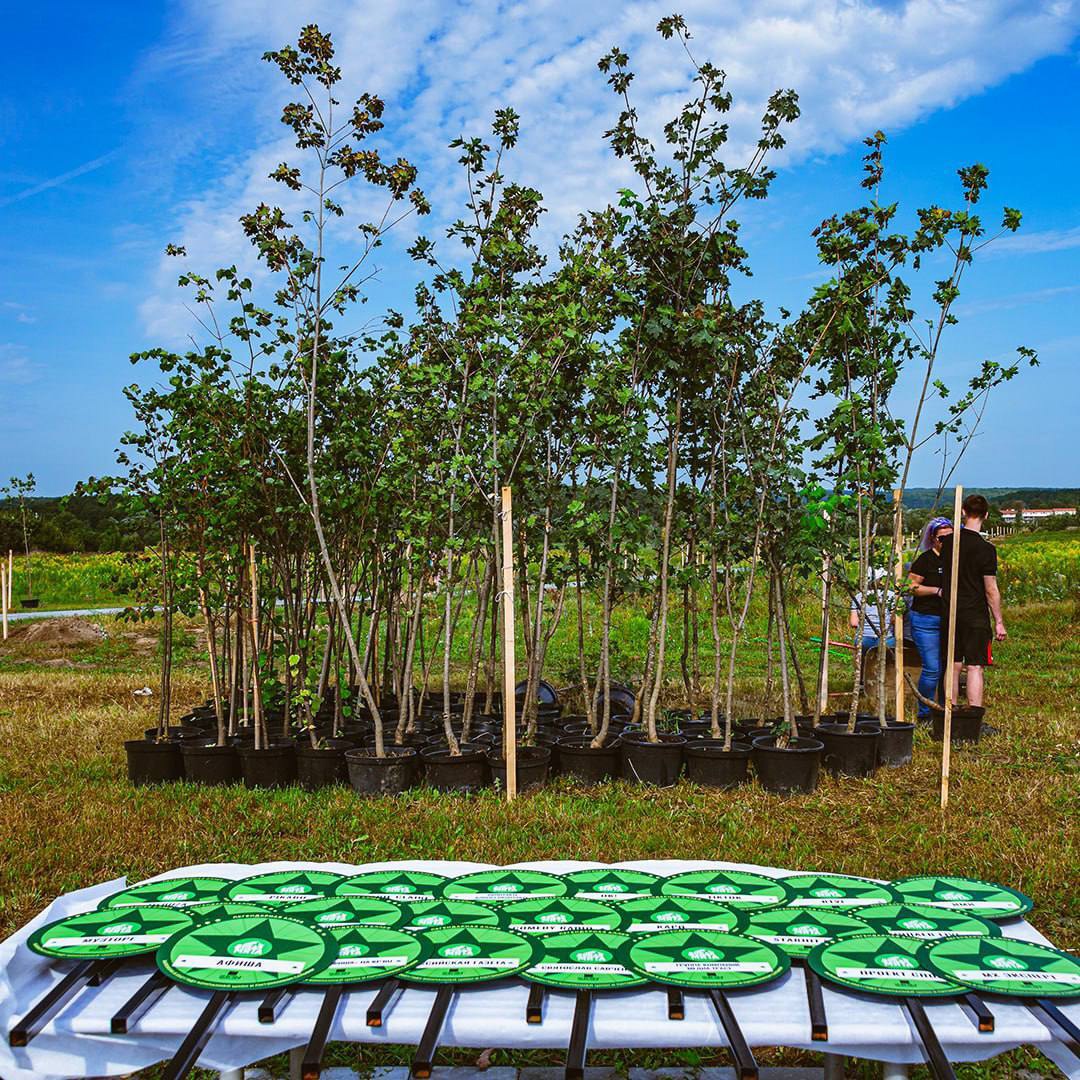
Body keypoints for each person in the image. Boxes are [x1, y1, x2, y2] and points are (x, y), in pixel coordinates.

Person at [938, 493, 1007, 709]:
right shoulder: (986, 549)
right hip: (975, 614)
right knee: (975, 666)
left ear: (962, 512)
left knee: (954, 664)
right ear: (985, 515)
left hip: (950, 611)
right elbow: (990, 589)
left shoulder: (948, 543)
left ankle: (950, 711)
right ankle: (974, 714)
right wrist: (998, 621)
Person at [907, 516, 953, 722]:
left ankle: (944, 709)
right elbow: (911, 587)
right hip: (926, 619)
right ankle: (925, 712)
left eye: (951, 538)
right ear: (933, 539)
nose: (946, 542)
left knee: (947, 668)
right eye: (942, 538)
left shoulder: (956, 560)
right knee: (932, 669)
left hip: (949, 619)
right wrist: (937, 591)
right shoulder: (925, 560)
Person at [850, 567, 896, 650]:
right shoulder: (891, 596)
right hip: (886, 638)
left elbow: (854, 622)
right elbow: (894, 620)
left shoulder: (858, 597)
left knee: (863, 662)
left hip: (864, 638)